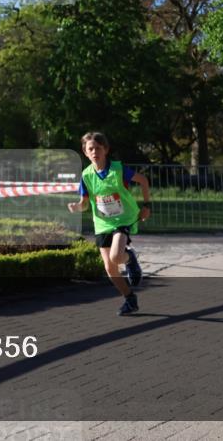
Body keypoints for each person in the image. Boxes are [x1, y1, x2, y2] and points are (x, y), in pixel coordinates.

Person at [67, 132, 151, 315]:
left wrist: (147, 206)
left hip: (123, 219)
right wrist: (76, 207)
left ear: (105, 150)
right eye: (90, 149)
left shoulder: (118, 169)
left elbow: (143, 180)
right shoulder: (86, 176)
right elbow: (84, 204)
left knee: (116, 256)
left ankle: (130, 259)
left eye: (98, 148)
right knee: (109, 268)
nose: (94, 152)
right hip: (102, 223)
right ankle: (130, 299)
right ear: (85, 152)